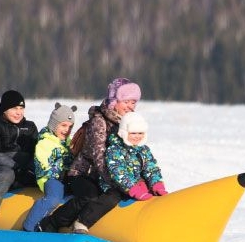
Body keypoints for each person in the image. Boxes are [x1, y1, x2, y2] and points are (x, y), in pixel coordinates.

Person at [40, 77, 140, 233]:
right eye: (126, 101)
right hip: (82, 173)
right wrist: (115, 180)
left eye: (133, 102)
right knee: (90, 196)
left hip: (105, 175)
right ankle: (51, 223)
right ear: (115, 101)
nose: (130, 107)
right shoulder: (99, 121)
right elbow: (98, 155)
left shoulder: (128, 123)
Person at [0, 90, 38, 228]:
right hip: (1, 168)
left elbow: (36, 151)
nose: (18, 112)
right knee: (6, 175)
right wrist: (15, 165)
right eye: (14, 108)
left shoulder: (30, 127)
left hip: (25, 169)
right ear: (4, 110)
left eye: (21, 108)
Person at [22, 103, 77, 232]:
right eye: (63, 125)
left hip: (65, 178)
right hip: (49, 178)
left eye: (70, 127)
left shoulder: (68, 143)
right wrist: (58, 173)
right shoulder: (45, 142)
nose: (67, 130)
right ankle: (28, 226)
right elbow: (42, 164)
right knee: (54, 198)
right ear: (54, 124)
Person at [104, 111, 167, 201]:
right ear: (124, 133)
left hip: (138, 186)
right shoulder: (114, 150)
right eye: (133, 133)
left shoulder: (143, 149)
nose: (137, 136)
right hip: (116, 188)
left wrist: (157, 184)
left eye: (140, 133)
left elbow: (151, 169)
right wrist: (134, 189)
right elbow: (118, 173)